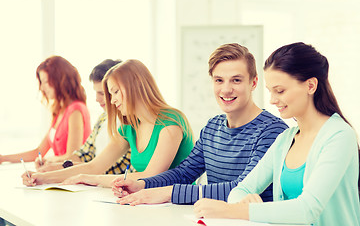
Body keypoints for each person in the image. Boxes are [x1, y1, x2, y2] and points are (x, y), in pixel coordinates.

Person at [194, 42, 360, 226]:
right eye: (270, 91)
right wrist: (244, 201)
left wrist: (234, 210)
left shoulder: (339, 136)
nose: (272, 100)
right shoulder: (286, 139)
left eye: (280, 91)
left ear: (311, 85)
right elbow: (240, 190)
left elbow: (308, 209)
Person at [111, 43, 288, 206]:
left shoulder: (273, 132)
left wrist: (169, 193)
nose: (226, 89)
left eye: (236, 80)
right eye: (219, 80)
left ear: (254, 82)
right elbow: (184, 173)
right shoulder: (212, 127)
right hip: (214, 218)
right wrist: (141, 184)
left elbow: (241, 188)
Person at [22, 59, 194, 186]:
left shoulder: (171, 122)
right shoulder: (129, 127)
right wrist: (41, 178)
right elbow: (94, 166)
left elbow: (151, 176)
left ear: (135, 86)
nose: (112, 102)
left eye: (115, 92)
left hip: (177, 207)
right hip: (147, 203)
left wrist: (90, 179)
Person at [37, 59, 134, 175]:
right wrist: (55, 167)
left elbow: (114, 168)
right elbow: (84, 155)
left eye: (102, 93)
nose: (97, 99)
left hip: (108, 186)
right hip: (97, 184)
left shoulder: (130, 122)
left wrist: (61, 172)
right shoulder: (102, 118)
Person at [0, 56, 91, 164]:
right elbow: (38, 152)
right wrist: (4, 158)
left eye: (46, 82)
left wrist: (47, 160)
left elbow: (72, 158)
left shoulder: (76, 110)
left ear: (60, 80)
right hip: (59, 175)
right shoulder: (60, 111)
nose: (42, 88)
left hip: (69, 177)